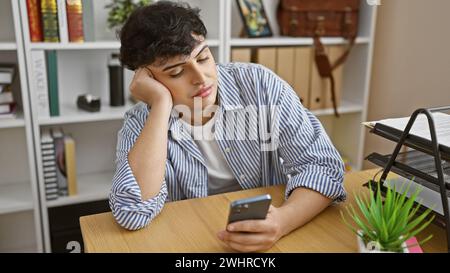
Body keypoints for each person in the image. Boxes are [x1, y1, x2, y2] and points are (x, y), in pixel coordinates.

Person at [110, 1, 345, 252]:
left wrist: (283, 221)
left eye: (203, 57)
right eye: (177, 72)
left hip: (272, 233)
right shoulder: (140, 123)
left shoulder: (258, 85)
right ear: (147, 78)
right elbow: (131, 212)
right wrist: (160, 104)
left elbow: (324, 167)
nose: (201, 78)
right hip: (190, 242)